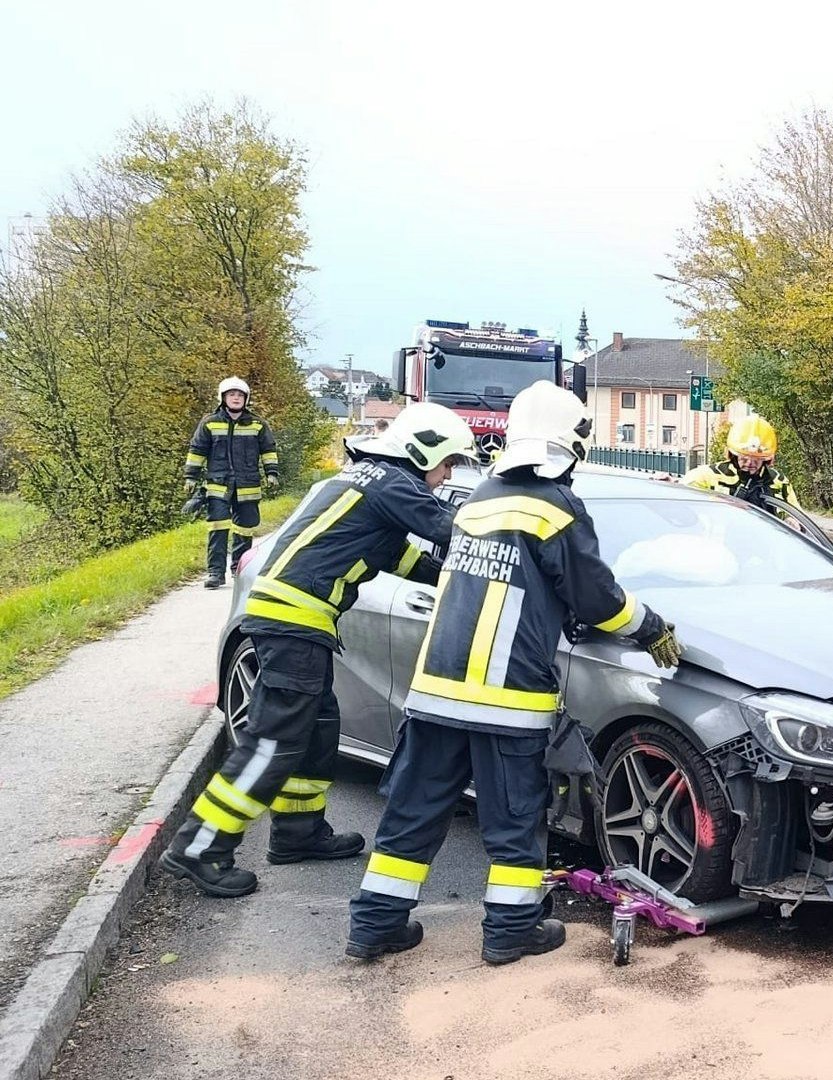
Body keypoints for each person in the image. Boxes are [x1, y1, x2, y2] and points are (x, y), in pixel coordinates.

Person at [347, 381, 683, 965]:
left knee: (413, 812)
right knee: (515, 820)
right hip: (505, 700)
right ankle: (510, 932)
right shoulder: (556, 507)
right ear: (570, 444)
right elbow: (597, 597)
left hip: (434, 695)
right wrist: (649, 627)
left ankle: (374, 925)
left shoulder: (477, 498)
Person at [160, 403, 478, 899]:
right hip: (294, 622)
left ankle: (297, 832)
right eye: (449, 463)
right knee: (273, 740)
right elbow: (454, 530)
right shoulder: (396, 485)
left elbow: (404, 558)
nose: (448, 474)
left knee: (317, 726)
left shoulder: (367, 482)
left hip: (288, 620)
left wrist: (455, 580)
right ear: (424, 452)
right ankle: (200, 847)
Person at [185, 377, 280, 588]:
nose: (236, 398)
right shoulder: (209, 423)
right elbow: (197, 450)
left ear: (246, 399)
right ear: (223, 398)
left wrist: (271, 472)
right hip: (218, 485)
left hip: (249, 486)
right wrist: (191, 476)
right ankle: (215, 573)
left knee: (245, 529)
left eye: (240, 395)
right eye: (231, 395)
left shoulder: (257, 424)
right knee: (217, 528)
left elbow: (268, 450)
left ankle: (239, 568)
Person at [682, 416, 797, 512]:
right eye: (744, 458)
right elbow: (681, 494)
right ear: (733, 454)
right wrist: (718, 501)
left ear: (767, 459)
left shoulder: (778, 481)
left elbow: (795, 512)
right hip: (720, 538)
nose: (750, 463)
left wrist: (791, 521)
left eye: (757, 459)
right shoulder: (708, 475)